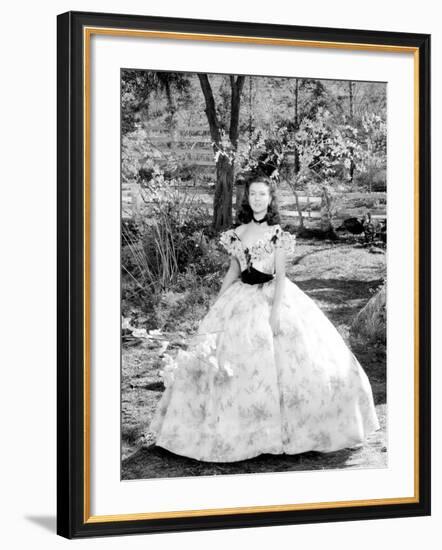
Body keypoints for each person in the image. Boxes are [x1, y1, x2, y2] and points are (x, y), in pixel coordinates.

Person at [149, 176, 380, 463]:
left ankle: (297, 430)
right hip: (241, 296)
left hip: (272, 297)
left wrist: (274, 314)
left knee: (296, 361)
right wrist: (217, 303)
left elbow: (282, 276)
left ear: (270, 199)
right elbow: (234, 271)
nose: (258, 199)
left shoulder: (277, 233)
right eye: (253, 194)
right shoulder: (237, 232)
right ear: (247, 198)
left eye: (263, 194)